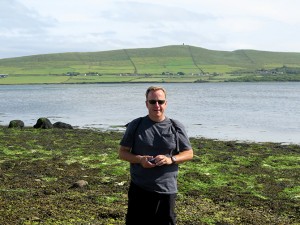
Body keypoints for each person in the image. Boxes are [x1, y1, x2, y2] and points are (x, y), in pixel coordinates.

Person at [119, 86, 193, 225]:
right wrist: (140, 160)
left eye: (160, 101)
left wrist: (171, 159)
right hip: (139, 188)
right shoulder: (135, 125)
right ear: (146, 103)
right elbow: (122, 152)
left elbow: (189, 153)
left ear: (166, 103)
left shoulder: (176, 127)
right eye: (152, 102)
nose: (156, 105)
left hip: (167, 189)